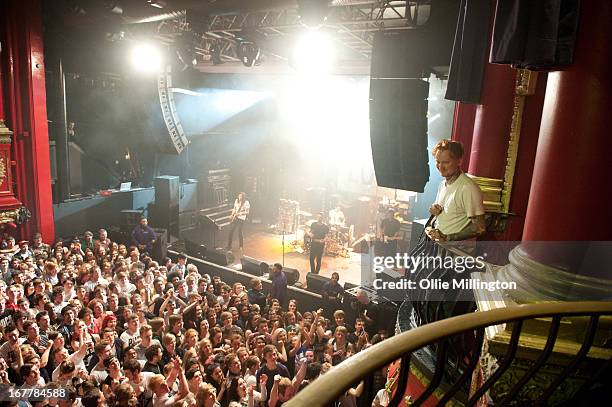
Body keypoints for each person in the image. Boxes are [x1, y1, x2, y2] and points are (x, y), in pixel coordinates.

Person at [427, 139, 485, 241]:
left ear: (459, 161)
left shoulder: (468, 188)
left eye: (445, 162)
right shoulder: (442, 184)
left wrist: (448, 237)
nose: (440, 167)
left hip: (457, 254)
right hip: (441, 251)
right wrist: (434, 211)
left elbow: (480, 228)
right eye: (438, 162)